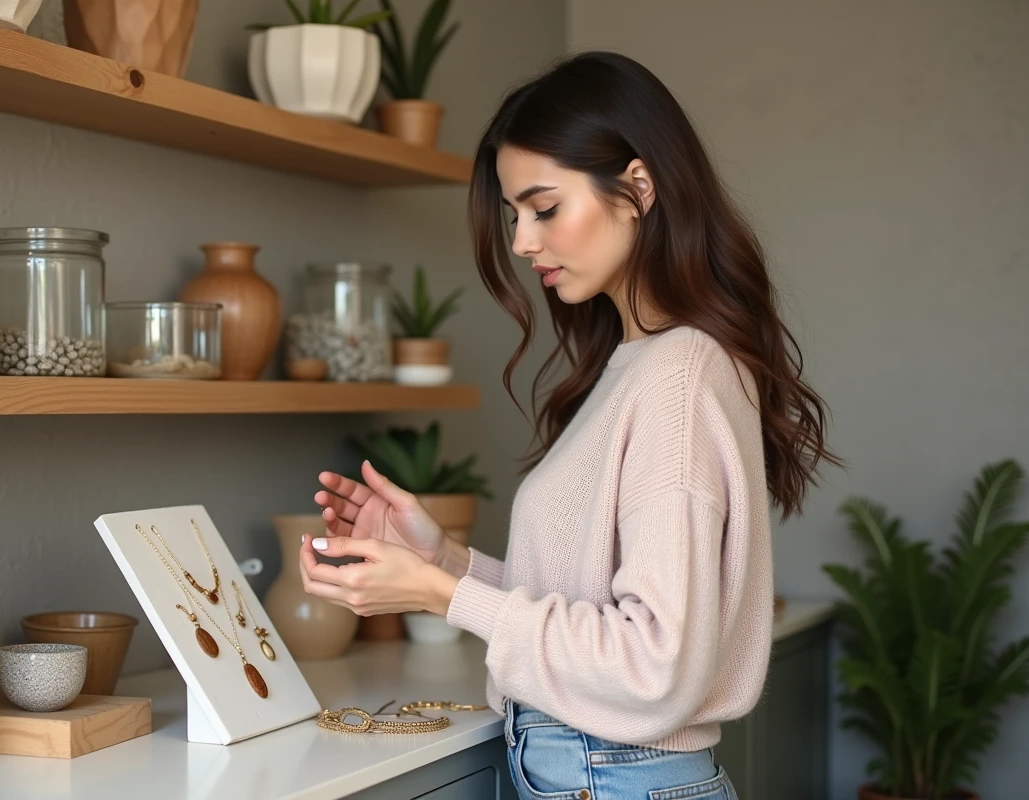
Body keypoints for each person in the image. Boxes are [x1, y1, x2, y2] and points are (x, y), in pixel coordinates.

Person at [297, 50, 839, 800]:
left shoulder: (677, 375)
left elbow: (653, 664)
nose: (522, 242)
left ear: (638, 189)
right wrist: (446, 562)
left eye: (544, 208)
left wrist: (439, 596)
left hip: (612, 776)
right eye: (516, 214)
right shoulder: (642, 364)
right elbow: (594, 610)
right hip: (597, 773)